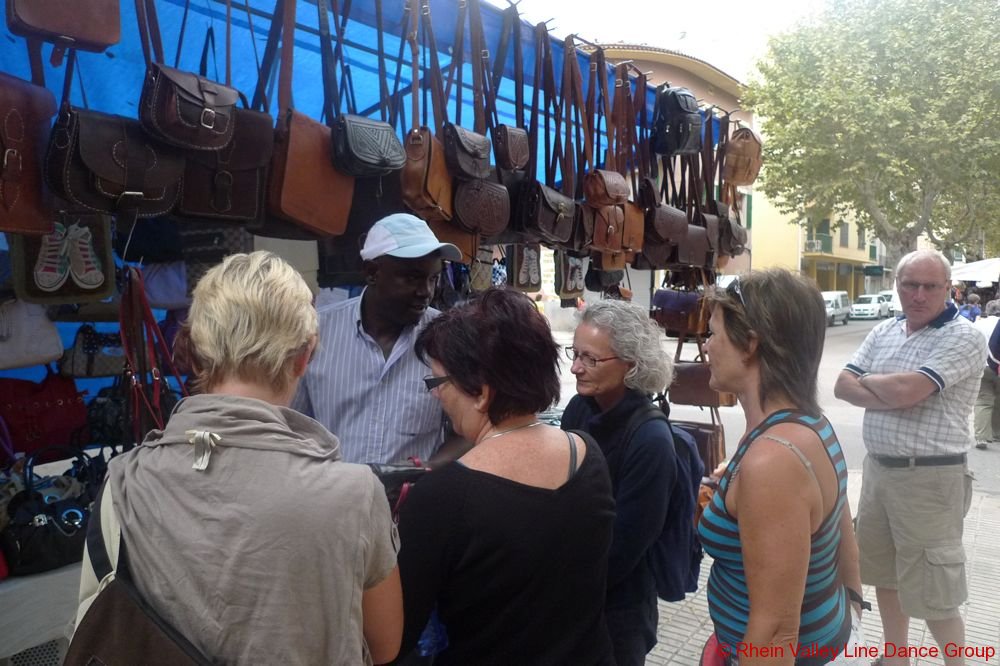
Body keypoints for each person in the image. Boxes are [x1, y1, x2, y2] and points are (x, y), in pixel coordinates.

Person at [74, 252, 403, 664]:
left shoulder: (124, 481)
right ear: (305, 356)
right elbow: (385, 645)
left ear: (194, 353)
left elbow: (95, 621)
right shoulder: (355, 492)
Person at [395, 288, 616, 664]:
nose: (435, 395)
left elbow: (396, 637)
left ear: (482, 393)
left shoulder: (442, 496)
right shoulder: (586, 454)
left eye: (438, 383)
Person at [699, 268, 862, 665]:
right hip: (827, 633)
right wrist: (854, 605)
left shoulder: (773, 459)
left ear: (750, 345)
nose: (705, 347)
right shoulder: (809, 423)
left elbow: (775, 632)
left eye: (713, 334)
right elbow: (841, 527)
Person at [834, 249, 986, 666]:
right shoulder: (885, 329)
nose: (919, 295)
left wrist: (874, 381)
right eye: (910, 285)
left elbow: (909, 391)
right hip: (879, 471)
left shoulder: (963, 336)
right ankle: (895, 658)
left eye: (930, 286)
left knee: (936, 591)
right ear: (897, 285)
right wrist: (896, 389)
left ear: (948, 288)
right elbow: (842, 386)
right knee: (885, 575)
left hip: (930, 480)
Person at [559, 299, 679, 666]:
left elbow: (624, 548)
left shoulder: (651, 439)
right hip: (572, 597)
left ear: (632, 363)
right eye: (575, 354)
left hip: (617, 614)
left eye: (591, 359)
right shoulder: (580, 408)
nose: (576, 367)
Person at [292, 213, 467, 465]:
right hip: (332, 488)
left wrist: (427, 470)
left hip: (416, 490)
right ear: (372, 272)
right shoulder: (316, 332)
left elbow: (466, 431)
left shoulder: (446, 338)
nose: (426, 292)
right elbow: (295, 427)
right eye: (412, 278)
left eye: (433, 279)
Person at [973, 299, 1000, 449]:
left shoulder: (978, 324)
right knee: (998, 401)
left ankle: (982, 437)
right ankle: (996, 433)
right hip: (998, 366)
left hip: (982, 366)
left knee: (983, 400)